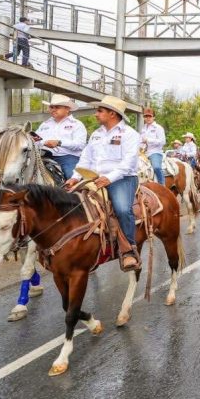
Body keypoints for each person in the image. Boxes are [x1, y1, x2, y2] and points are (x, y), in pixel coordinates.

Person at [65, 96, 141, 272]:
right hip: (94, 178)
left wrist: (109, 178)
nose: (96, 114)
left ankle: (129, 249)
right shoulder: (96, 134)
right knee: (71, 202)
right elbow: (86, 159)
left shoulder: (130, 134)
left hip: (122, 178)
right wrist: (75, 176)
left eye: (99, 110)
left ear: (112, 113)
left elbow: (128, 162)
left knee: (122, 209)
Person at [34, 94, 87, 179]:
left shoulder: (77, 124)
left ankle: (77, 191)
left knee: (72, 177)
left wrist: (59, 143)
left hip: (67, 157)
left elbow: (80, 145)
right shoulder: (44, 124)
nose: (53, 110)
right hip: (43, 156)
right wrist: (41, 142)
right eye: (51, 107)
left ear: (67, 109)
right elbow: (35, 141)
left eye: (57, 107)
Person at [140, 107, 166, 185]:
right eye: (146, 116)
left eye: (150, 116)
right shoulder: (143, 128)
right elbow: (140, 141)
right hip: (144, 153)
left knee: (156, 167)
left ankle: (162, 185)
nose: (148, 118)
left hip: (155, 152)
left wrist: (148, 140)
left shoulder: (158, 128)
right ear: (144, 117)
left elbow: (162, 141)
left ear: (154, 117)